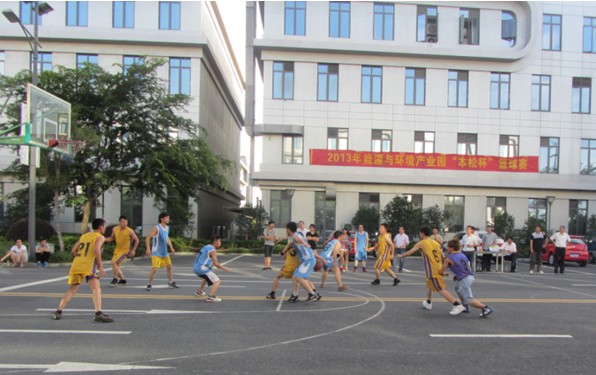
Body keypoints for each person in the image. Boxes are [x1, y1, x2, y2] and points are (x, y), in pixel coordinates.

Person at [51, 218, 113, 322]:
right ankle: (98, 313)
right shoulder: (100, 237)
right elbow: (97, 249)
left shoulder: (84, 236)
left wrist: (81, 257)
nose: (105, 229)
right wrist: (100, 266)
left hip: (77, 264)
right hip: (88, 266)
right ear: (101, 227)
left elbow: (73, 250)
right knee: (96, 289)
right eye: (105, 227)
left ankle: (58, 311)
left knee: (72, 289)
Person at [396, 226, 465, 316]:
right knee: (430, 285)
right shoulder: (435, 243)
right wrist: (443, 268)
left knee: (440, 289)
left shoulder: (422, 243)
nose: (419, 234)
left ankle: (457, 305)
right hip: (436, 267)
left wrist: (401, 256)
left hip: (433, 270)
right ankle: (428, 302)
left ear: (422, 233)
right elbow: (442, 256)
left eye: (420, 233)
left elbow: (410, 252)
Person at [439, 239, 494, 318]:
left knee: (469, 299)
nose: (446, 249)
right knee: (457, 288)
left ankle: (486, 308)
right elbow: (468, 266)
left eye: (447, 247)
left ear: (451, 248)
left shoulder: (449, 258)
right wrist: (458, 275)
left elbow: (441, 271)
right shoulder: (462, 255)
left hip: (464, 279)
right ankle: (465, 306)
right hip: (469, 276)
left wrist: (444, 273)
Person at [286, 221, 321, 303]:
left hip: (308, 260)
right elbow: (294, 243)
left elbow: (299, 239)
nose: (286, 230)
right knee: (295, 276)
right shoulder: (295, 235)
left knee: (299, 277)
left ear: (289, 229)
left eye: (286, 229)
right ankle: (295, 295)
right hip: (306, 260)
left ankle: (312, 293)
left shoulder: (295, 236)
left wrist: (305, 243)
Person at [145, 212, 179, 291]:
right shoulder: (157, 228)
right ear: (162, 219)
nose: (168, 219)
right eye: (166, 218)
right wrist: (148, 248)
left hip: (164, 252)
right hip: (156, 252)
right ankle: (149, 284)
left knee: (169, 266)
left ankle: (171, 281)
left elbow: (167, 238)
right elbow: (147, 237)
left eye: (168, 218)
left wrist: (171, 247)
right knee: (155, 269)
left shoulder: (167, 228)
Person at [104, 215, 140, 286]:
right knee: (115, 264)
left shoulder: (129, 231)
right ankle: (122, 279)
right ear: (119, 222)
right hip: (117, 250)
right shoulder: (115, 229)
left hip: (125, 251)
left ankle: (115, 278)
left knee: (114, 263)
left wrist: (133, 250)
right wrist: (103, 239)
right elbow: (112, 238)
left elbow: (137, 240)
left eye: (126, 222)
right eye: (123, 221)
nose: (125, 223)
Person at [193, 236, 230, 302]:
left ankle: (200, 291)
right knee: (217, 281)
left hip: (196, 267)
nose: (220, 243)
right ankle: (211, 296)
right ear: (215, 242)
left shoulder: (206, 246)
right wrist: (224, 268)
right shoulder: (212, 250)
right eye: (219, 241)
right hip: (202, 269)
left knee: (206, 277)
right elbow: (216, 264)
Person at [266, 234, 301, 300]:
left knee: (277, 277)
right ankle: (296, 294)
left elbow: (284, 257)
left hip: (288, 268)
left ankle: (272, 293)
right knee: (297, 280)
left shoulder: (288, 248)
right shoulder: (301, 248)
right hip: (296, 267)